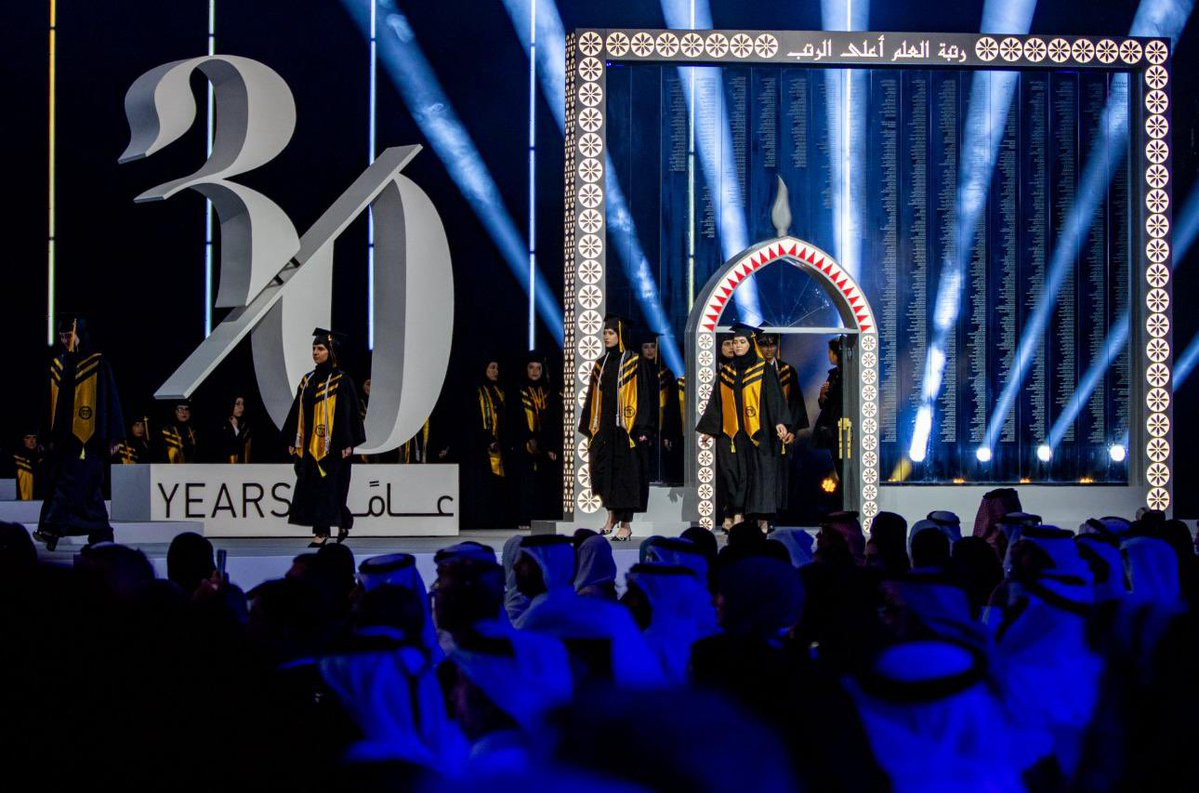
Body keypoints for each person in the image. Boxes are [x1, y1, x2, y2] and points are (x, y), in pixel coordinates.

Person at [33, 316, 124, 550]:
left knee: (84, 486)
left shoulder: (97, 363)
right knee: (66, 485)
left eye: (69, 335)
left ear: (79, 334)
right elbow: (47, 404)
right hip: (62, 441)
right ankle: (88, 533)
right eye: (62, 336)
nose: (66, 341)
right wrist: (43, 437)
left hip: (89, 441)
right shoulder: (59, 364)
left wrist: (115, 435)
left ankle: (59, 530)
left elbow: (111, 399)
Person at [696, 323, 795, 531]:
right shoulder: (727, 372)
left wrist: (780, 421)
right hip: (731, 435)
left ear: (751, 344)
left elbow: (774, 398)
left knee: (759, 476)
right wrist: (709, 429)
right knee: (732, 474)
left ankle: (758, 519)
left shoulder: (763, 369)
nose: (738, 346)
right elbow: (717, 402)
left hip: (758, 433)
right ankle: (736, 512)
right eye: (735, 342)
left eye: (742, 342)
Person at [283, 328, 365, 547]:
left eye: (320, 348)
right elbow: (297, 410)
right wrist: (293, 439)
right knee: (315, 488)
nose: (315, 353)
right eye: (314, 348)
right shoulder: (308, 380)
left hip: (334, 446)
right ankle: (325, 529)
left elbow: (348, 413)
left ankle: (335, 525)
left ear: (331, 351)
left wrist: (347, 442)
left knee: (332, 488)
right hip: (309, 445)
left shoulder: (342, 380)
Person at [578, 315, 657, 541]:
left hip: (627, 430)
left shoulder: (636, 362)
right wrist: (590, 428)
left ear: (621, 334)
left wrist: (644, 428)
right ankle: (611, 515)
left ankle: (625, 524)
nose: (606, 336)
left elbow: (646, 398)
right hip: (604, 430)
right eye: (605, 333)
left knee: (626, 478)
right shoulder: (600, 364)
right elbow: (592, 397)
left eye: (611, 333)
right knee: (603, 473)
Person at [463, 357, 513, 529]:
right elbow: (472, 420)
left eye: (497, 368)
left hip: (499, 446)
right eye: (492, 367)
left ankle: (497, 519)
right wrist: (486, 438)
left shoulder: (500, 391)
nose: (495, 372)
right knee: (481, 485)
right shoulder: (474, 391)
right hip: (479, 448)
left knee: (498, 485)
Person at [512, 351, 560, 526]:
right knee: (525, 483)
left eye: (538, 368)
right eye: (531, 367)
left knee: (544, 483)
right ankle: (524, 518)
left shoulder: (549, 392)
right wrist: (528, 438)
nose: (535, 371)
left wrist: (549, 444)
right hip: (523, 444)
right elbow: (514, 419)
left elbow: (554, 421)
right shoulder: (518, 391)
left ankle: (543, 519)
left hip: (545, 445)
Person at [640, 334, 679, 483]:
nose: (650, 350)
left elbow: (672, 405)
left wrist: (669, 431)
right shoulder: (636, 372)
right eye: (646, 347)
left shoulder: (667, 374)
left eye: (653, 347)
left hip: (662, 425)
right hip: (642, 424)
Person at [813, 337, 845, 498]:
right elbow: (824, 403)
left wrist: (829, 395)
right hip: (831, 427)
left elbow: (838, 399)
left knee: (843, 466)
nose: (829, 355)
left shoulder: (847, 375)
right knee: (836, 465)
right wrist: (822, 396)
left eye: (830, 352)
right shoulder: (833, 375)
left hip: (842, 426)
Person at [158, 399, 198, 464]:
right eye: (180, 409)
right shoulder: (167, 431)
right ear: (175, 412)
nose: (184, 412)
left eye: (186, 409)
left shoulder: (192, 431)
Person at [216, 395, 253, 463]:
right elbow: (229, 449)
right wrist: (235, 428)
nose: (241, 407)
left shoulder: (244, 425)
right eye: (237, 404)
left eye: (242, 404)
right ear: (231, 404)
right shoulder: (222, 424)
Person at [13, 431, 45, 500]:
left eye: (34, 437)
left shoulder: (43, 456)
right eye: (28, 438)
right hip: (24, 500)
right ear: (23, 440)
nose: (31, 441)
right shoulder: (17, 458)